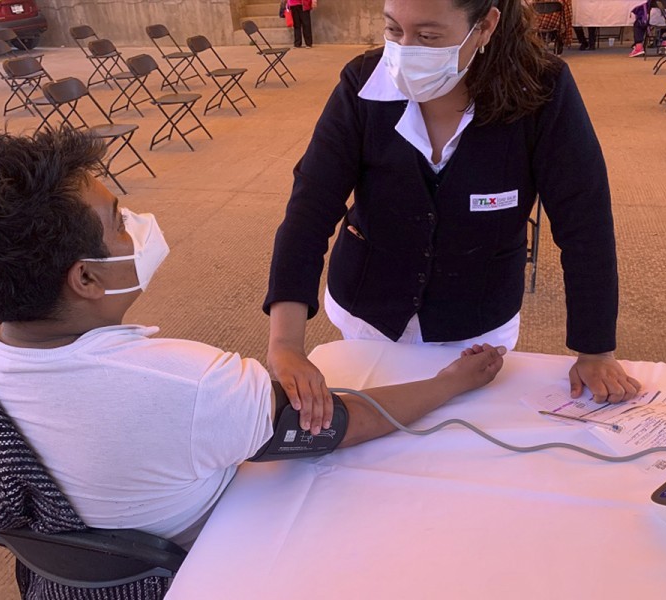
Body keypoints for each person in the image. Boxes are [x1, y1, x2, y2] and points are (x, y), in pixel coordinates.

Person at [0, 128, 506, 553]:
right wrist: (448, 382)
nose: (135, 226)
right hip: (203, 558)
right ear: (85, 277)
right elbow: (340, 423)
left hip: (73, 563)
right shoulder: (187, 386)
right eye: (118, 221)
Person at [264, 0, 642, 437]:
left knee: (465, 445)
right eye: (393, 30)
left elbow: (585, 222)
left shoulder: (542, 90)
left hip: (477, 324)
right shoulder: (363, 83)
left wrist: (595, 350)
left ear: (485, 26)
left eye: (428, 37)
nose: (405, 51)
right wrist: (286, 344)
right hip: (370, 311)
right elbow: (311, 207)